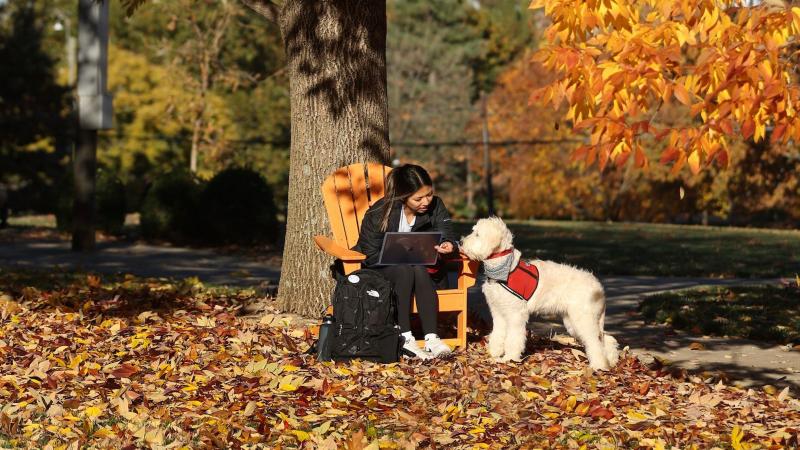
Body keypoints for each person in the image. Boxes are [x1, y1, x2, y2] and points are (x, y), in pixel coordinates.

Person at [354, 164, 459, 359]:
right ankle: (405, 337)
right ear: (403, 196)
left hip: (422, 272)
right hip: (382, 271)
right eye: (418, 198)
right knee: (405, 269)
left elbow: (447, 235)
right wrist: (398, 256)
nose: (426, 201)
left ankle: (431, 338)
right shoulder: (379, 213)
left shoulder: (436, 206)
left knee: (417, 268)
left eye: (429, 194)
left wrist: (448, 245)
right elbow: (369, 253)